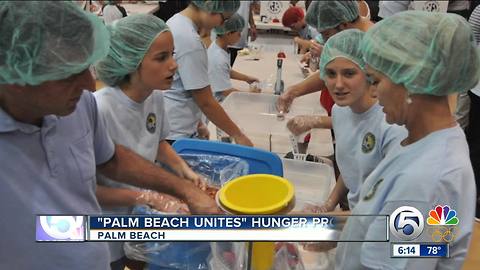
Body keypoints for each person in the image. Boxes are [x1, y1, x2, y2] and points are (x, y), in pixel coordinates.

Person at [0, 2, 218, 269]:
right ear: (14, 74)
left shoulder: (77, 104)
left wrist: (183, 189)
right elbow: (40, 230)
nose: (88, 85)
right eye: (67, 75)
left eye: (86, 67)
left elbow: (110, 158)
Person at [336, 11, 479, 269]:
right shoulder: (419, 141)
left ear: (412, 81)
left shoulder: (427, 181)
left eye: (376, 80)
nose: (374, 92)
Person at [94, 14, 207, 269]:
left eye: (172, 54)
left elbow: (158, 143)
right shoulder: (100, 109)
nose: (174, 65)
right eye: (161, 58)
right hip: (108, 223)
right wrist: (147, 196)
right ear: (131, 62)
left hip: (143, 216)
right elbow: (88, 188)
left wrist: (184, 171)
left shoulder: (155, 97)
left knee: (140, 261)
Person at [288, 29, 406, 214]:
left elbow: (390, 211)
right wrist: (328, 205)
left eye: (349, 74)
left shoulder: (391, 126)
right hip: (354, 213)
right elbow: (354, 168)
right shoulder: (340, 111)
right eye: (331, 74)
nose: (339, 84)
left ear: (369, 73)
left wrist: (336, 225)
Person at [164, 0, 253, 146]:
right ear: (210, 5)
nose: (220, 25)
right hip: (177, 131)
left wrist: (198, 122)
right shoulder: (190, 41)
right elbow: (205, 101)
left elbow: (182, 82)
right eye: (223, 18)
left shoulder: (176, 22)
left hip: (174, 122)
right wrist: (238, 135)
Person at [276, 1, 373, 115]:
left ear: (344, 25)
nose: (326, 41)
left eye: (326, 34)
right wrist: (294, 91)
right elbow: (334, 73)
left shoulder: (374, 46)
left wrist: (319, 122)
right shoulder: (353, 37)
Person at [208, 13, 260, 102]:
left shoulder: (219, 46)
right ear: (228, 33)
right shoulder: (218, 58)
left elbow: (226, 70)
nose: (240, 37)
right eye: (238, 33)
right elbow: (226, 91)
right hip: (219, 103)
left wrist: (246, 78)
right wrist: (249, 94)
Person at [228, 0, 257, 66]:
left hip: (241, 38)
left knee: (239, 67)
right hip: (226, 37)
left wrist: (252, 26)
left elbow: (248, 9)